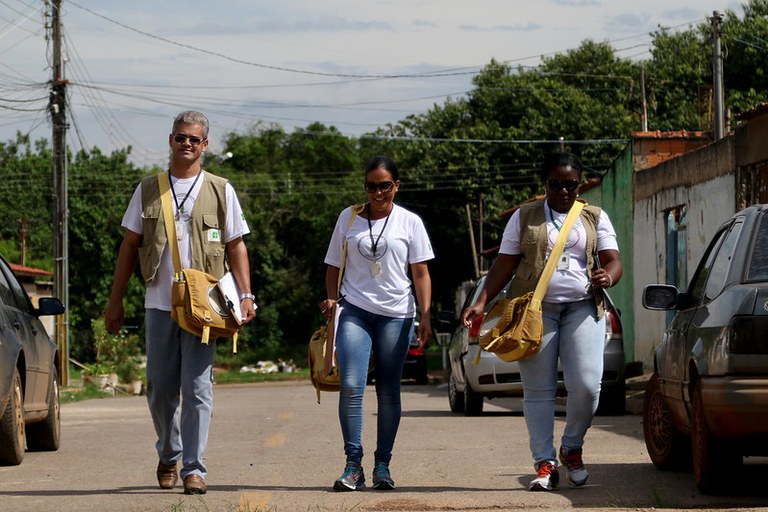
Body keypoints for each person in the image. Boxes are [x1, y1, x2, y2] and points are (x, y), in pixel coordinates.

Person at [105, 111, 256, 495]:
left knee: (198, 387)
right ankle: (169, 452)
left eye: (194, 139)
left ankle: (194, 468)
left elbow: (236, 245)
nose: (186, 144)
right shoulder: (148, 188)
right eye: (180, 137)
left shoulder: (221, 189)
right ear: (170, 140)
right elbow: (130, 246)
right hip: (159, 303)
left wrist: (246, 295)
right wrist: (115, 300)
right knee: (158, 386)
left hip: (205, 307)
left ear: (205, 145)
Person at [461, 152, 622, 492]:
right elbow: (504, 265)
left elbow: (613, 260)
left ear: (579, 183)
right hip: (535, 311)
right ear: (545, 184)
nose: (564, 190)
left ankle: (572, 447)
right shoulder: (524, 216)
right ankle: (545, 462)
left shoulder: (594, 216)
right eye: (556, 184)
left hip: (582, 307)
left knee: (588, 386)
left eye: (571, 184)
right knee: (538, 391)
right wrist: (480, 302)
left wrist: (607, 275)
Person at [321, 156, 434, 492]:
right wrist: (331, 299)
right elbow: (331, 266)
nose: (378, 192)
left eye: (385, 185)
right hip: (354, 309)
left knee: (388, 390)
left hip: (397, 314)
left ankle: (382, 465)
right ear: (365, 187)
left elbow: (421, 273)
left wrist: (425, 315)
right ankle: (352, 465)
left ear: (396, 186)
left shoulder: (410, 222)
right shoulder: (349, 217)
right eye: (372, 186)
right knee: (352, 385)